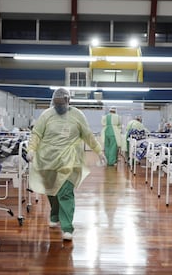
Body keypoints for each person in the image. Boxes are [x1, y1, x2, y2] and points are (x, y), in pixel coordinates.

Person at [26, 88, 107, 241]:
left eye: (61, 103)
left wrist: (99, 151)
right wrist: (31, 149)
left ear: (68, 101)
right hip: (48, 159)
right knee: (51, 191)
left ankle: (67, 227)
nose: (59, 107)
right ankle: (55, 214)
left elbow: (88, 135)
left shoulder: (77, 116)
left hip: (70, 159)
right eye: (56, 104)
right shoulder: (46, 115)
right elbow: (36, 134)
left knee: (65, 192)